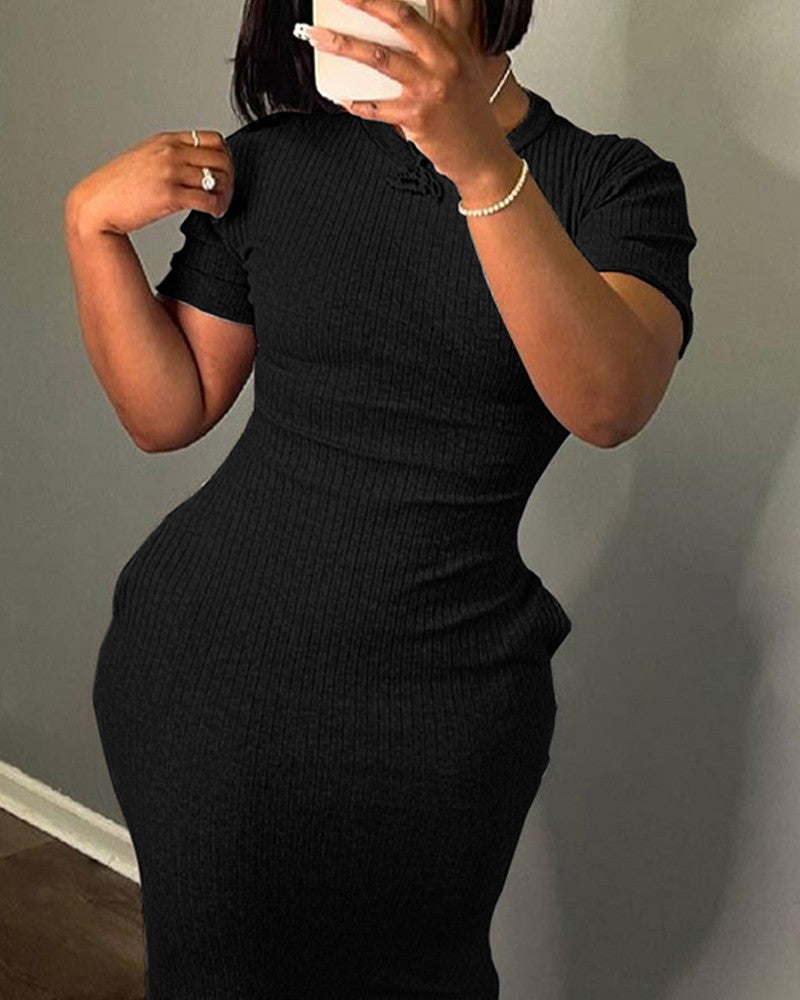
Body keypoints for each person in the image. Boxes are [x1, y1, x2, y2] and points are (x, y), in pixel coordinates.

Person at [64, 1, 697, 996]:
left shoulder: (612, 183)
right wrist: (90, 228)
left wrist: (478, 164)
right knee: (214, 976)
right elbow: (166, 412)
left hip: (443, 692)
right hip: (207, 668)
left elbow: (609, 404)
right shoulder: (274, 161)